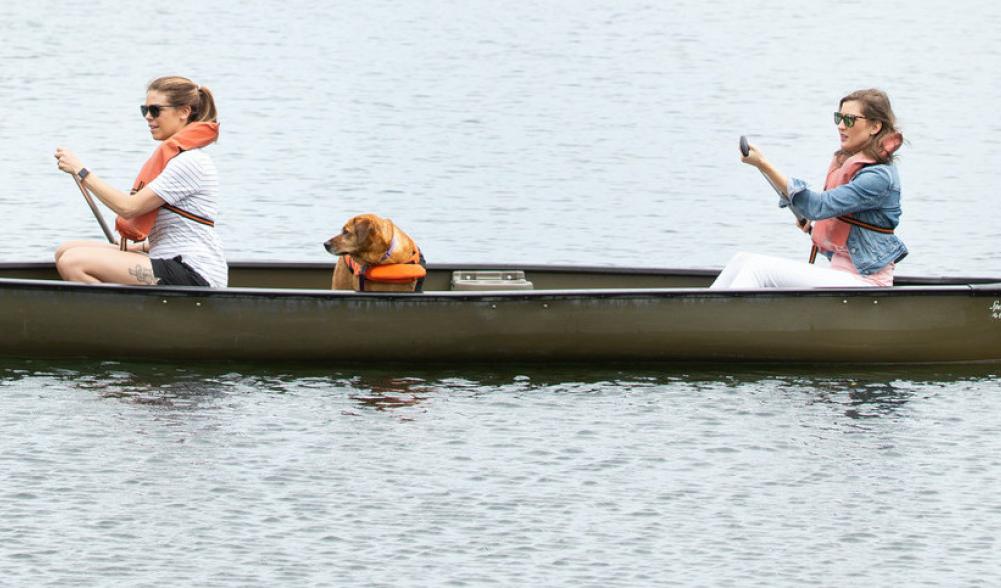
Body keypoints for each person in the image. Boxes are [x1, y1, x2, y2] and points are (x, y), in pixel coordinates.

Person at [711, 89, 907, 289]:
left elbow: (817, 207)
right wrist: (815, 228)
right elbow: (844, 238)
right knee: (742, 260)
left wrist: (763, 163)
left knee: (757, 269)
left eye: (849, 119)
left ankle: (716, 318)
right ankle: (706, 311)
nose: (840, 126)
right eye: (838, 118)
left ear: (875, 126)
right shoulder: (855, 167)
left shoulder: (878, 177)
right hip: (843, 277)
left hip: (867, 283)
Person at [54, 76, 227, 288]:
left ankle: (118, 319)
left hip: (194, 272)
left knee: (74, 263)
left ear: (184, 111)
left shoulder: (191, 161)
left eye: (155, 110)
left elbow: (129, 208)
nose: (148, 117)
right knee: (65, 250)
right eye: (144, 110)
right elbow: (179, 228)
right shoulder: (176, 158)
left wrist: (81, 172)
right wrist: (144, 247)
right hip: (168, 260)